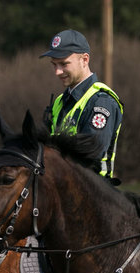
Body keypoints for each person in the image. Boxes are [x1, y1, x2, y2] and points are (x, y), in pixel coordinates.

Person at [40, 29, 123, 180]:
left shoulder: (101, 102)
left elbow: (89, 156)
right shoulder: (60, 101)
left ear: (85, 60)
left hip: (94, 196)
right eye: (54, 65)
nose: (57, 72)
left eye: (64, 64)